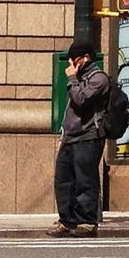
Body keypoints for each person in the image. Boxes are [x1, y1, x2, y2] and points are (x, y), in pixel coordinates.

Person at [50, 37, 110, 237]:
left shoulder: (98, 79)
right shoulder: (78, 79)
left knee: (85, 180)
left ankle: (87, 221)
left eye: (75, 58)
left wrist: (73, 79)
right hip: (70, 136)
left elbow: (81, 100)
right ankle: (67, 220)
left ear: (86, 57)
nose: (71, 63)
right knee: (63, 180)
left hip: (88, 136)